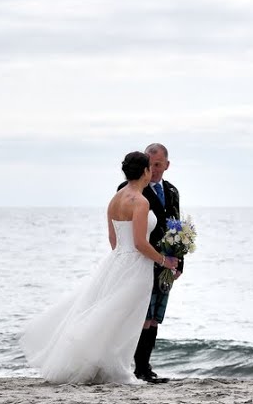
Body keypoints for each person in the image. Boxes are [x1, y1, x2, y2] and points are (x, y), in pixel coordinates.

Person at [19, 151, 179, 384]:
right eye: (149, 168)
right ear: (145, 171)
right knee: (126, 318)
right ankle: (116, 368)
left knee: (111, 315)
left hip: (116, 262)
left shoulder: (116, 199)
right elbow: (140, 243)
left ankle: (101, 364)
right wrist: (166, 262)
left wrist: (122, 258)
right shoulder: (141, 201)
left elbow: (113, 239)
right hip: (136, 266)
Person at [116, 142, 183, 383]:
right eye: (149, 164)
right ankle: (139, 368)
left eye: (157, 164)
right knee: (142, 315)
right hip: (145, 258)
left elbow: (177, 226)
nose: (153, 169)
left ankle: (146, 365)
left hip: (167, 262)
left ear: (166, 164)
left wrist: (178, 263)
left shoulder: (173, 191)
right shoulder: (131, 190)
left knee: (156, 316)